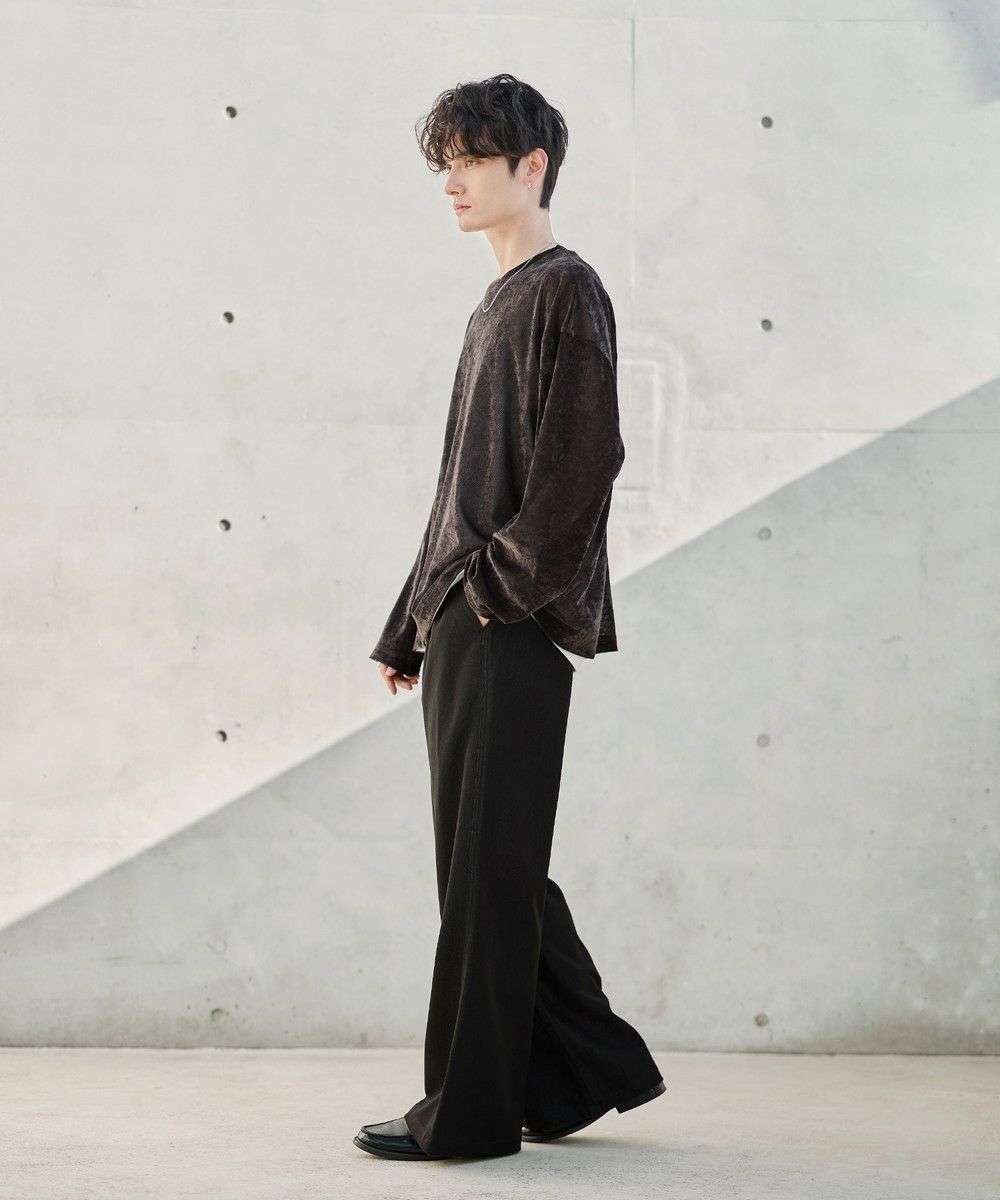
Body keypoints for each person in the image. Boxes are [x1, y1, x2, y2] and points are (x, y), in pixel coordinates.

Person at [355, 73, 665, 1162]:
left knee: (487, 871)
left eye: (473, 160)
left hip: (509, 623)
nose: (453, 180)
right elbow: (461, 489)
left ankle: (468, 1115)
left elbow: (584, 466)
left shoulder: (564, 289)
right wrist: (410, 621)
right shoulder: (498, 300)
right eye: (446, 163)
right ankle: (582, 1072)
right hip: (471, 619)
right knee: (492, 862)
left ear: (532, 167)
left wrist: (487, 596)